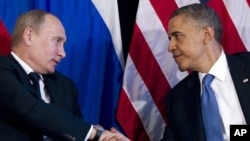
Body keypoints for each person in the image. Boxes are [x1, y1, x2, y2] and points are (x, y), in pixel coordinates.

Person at [0, 9, 130, 141]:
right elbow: (30, 107)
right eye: (57, 41)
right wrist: (95, 133)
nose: (63, 53)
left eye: (64, 44)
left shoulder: (65, 86)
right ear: (29, 36)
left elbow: (76, 134)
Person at [161, 3, 250, 141]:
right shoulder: (177, 98)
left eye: (177, 36)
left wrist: (235, 135)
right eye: (170, 39)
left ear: (206, 35)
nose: (171, 47)